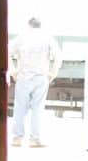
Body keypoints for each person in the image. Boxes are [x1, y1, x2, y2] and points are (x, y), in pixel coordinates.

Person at [8, 17, 62, 147]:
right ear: (41, 25)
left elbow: (6, 52)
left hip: (23, 77)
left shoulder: (22, 37)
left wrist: (13, 71)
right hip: (41, 77)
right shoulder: (48, 38)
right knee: (37, 109)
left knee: (20, 107)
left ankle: (17, 138)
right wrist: (52, 74)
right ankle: (34, 139)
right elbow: (58, 57)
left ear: (29, 25)